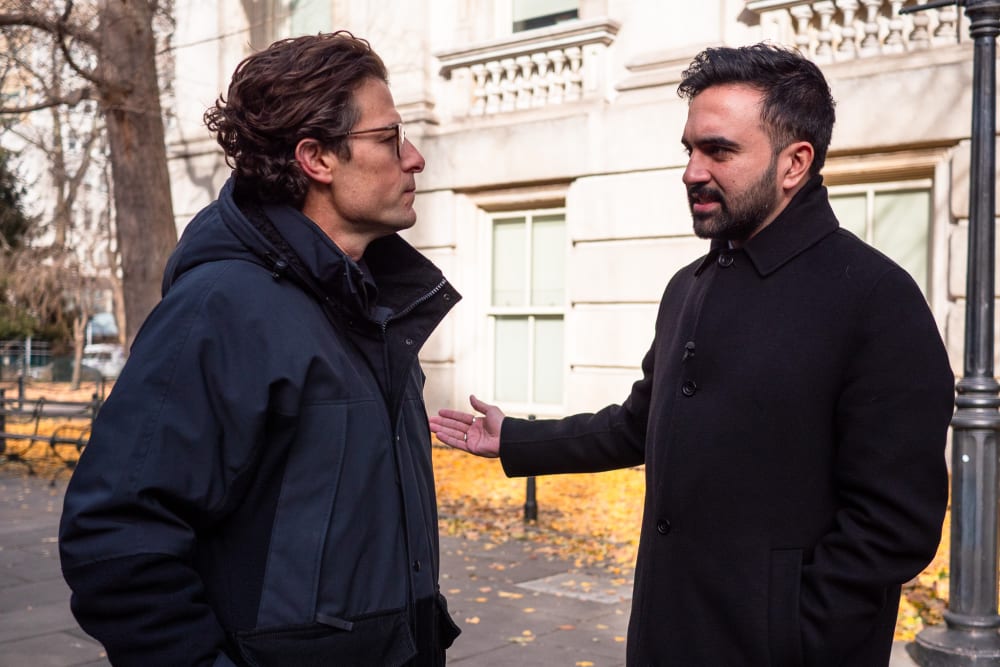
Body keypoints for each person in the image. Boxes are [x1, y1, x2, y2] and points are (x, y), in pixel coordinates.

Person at [430, 43, 954, 666]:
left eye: (719, 151)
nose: (692, 172)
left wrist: (789, 634)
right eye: (690, 149)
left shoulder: (875, 296)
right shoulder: (690, 286)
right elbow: (638, 426)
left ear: (795, 163)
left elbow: (895, 524)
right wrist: (516, 439)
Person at [60, 31, 461, 667]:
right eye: (388, 139)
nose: (413, 157)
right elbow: (114, 538)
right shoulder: (221, 308)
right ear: (317, 159)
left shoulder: (373, 306)